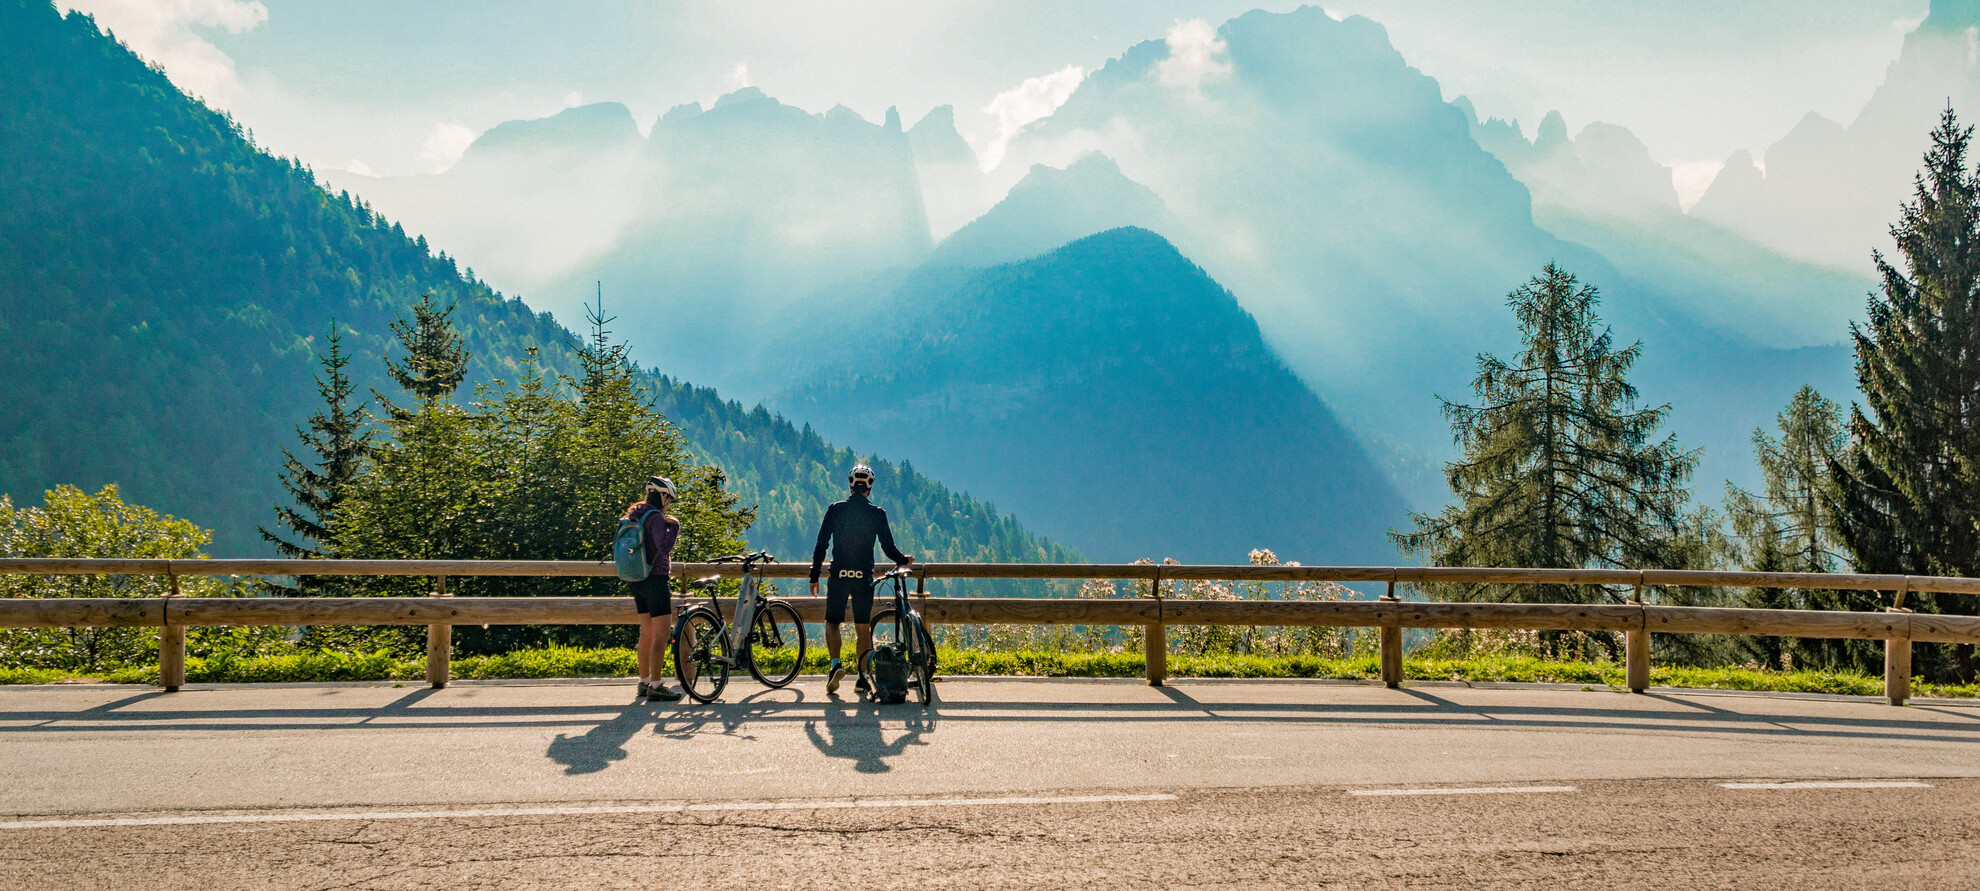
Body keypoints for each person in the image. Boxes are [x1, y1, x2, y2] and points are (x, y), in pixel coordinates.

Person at [810, 463, 913, 696]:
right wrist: (904, 559)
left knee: (832, 622)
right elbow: (888, 548)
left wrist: (814, 575)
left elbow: (821, 544)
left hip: (838, 574)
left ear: (849, 485)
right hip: (862, 576)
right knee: (863, 628)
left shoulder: (835, 509)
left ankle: (835, 664)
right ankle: (862, 677)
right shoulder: (877, 513)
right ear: (869, 488)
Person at [626, 476, 683, 701]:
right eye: (669, 498)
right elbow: (665, 547)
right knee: (662, 633)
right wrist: (674, 525)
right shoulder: (656, 517)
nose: (669, 504)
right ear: (663, 496)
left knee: (646, 631)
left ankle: (644, 681)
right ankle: (657, 685)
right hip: (656, 579)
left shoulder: (636, 512)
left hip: (637, 578)